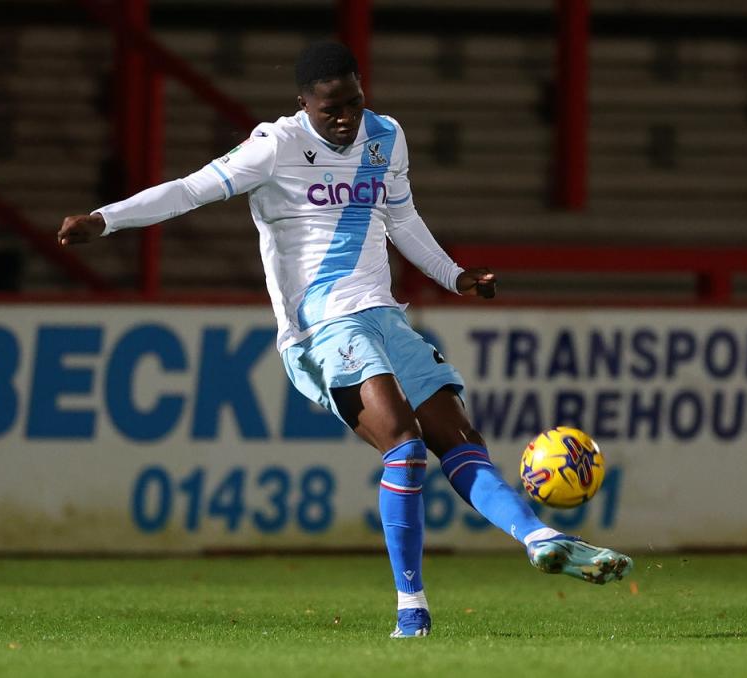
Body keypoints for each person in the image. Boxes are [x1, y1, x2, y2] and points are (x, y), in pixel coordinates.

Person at [59, 41, 633, 638]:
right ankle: (411, 608)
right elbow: (188, 189)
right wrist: (106, 218)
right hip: (322, 326)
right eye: (331, 107)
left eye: (354, 103)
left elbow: (402, 219)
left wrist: (454, 276)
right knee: (405, 448)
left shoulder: (386, 136)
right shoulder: (274, 146)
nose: (345, 117)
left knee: (460, 440)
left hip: (383, 315)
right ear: (302, 102)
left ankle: (540, 537)